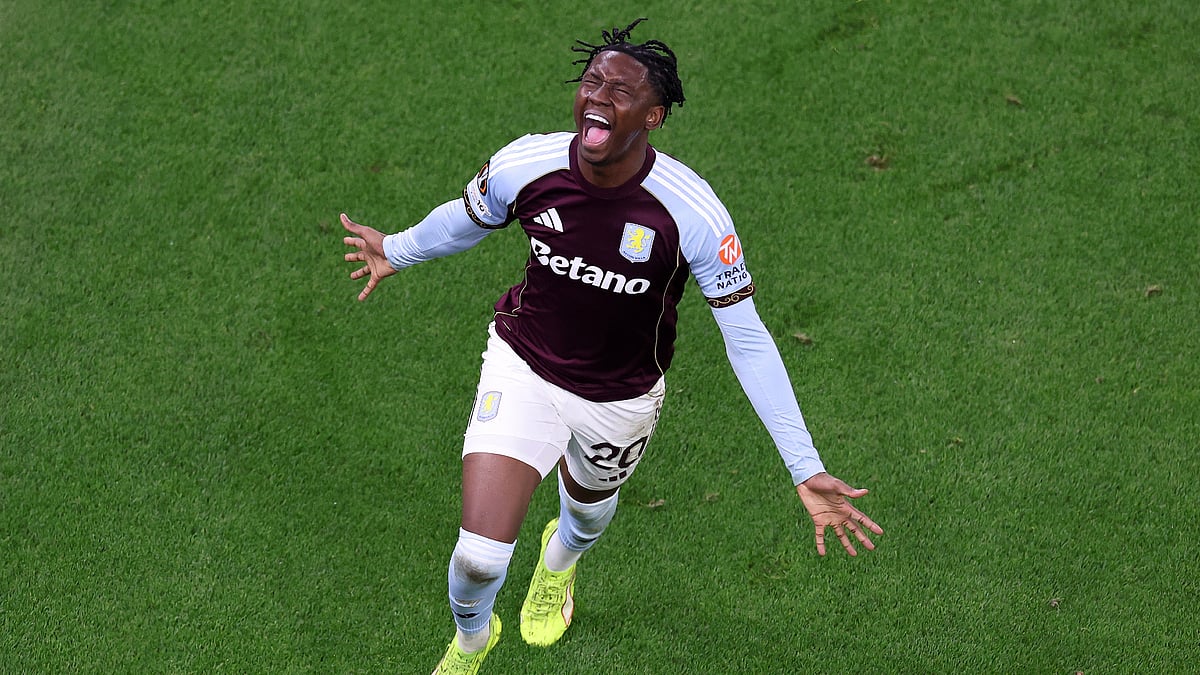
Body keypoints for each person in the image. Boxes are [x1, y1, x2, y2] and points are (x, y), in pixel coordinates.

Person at [341, 19, 883, 674]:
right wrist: (395, 250)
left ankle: (558, 565)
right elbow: (467, 218)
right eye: (592, 79)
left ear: (652, 116)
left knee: (584, 514)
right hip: (524, 364)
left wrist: (804, 463)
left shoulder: (692, 213)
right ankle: (473, 640)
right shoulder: (526, 163)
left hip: (620, 398)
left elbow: (748, 338)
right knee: (477, 557)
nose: (599, 94)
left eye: (620, 89)